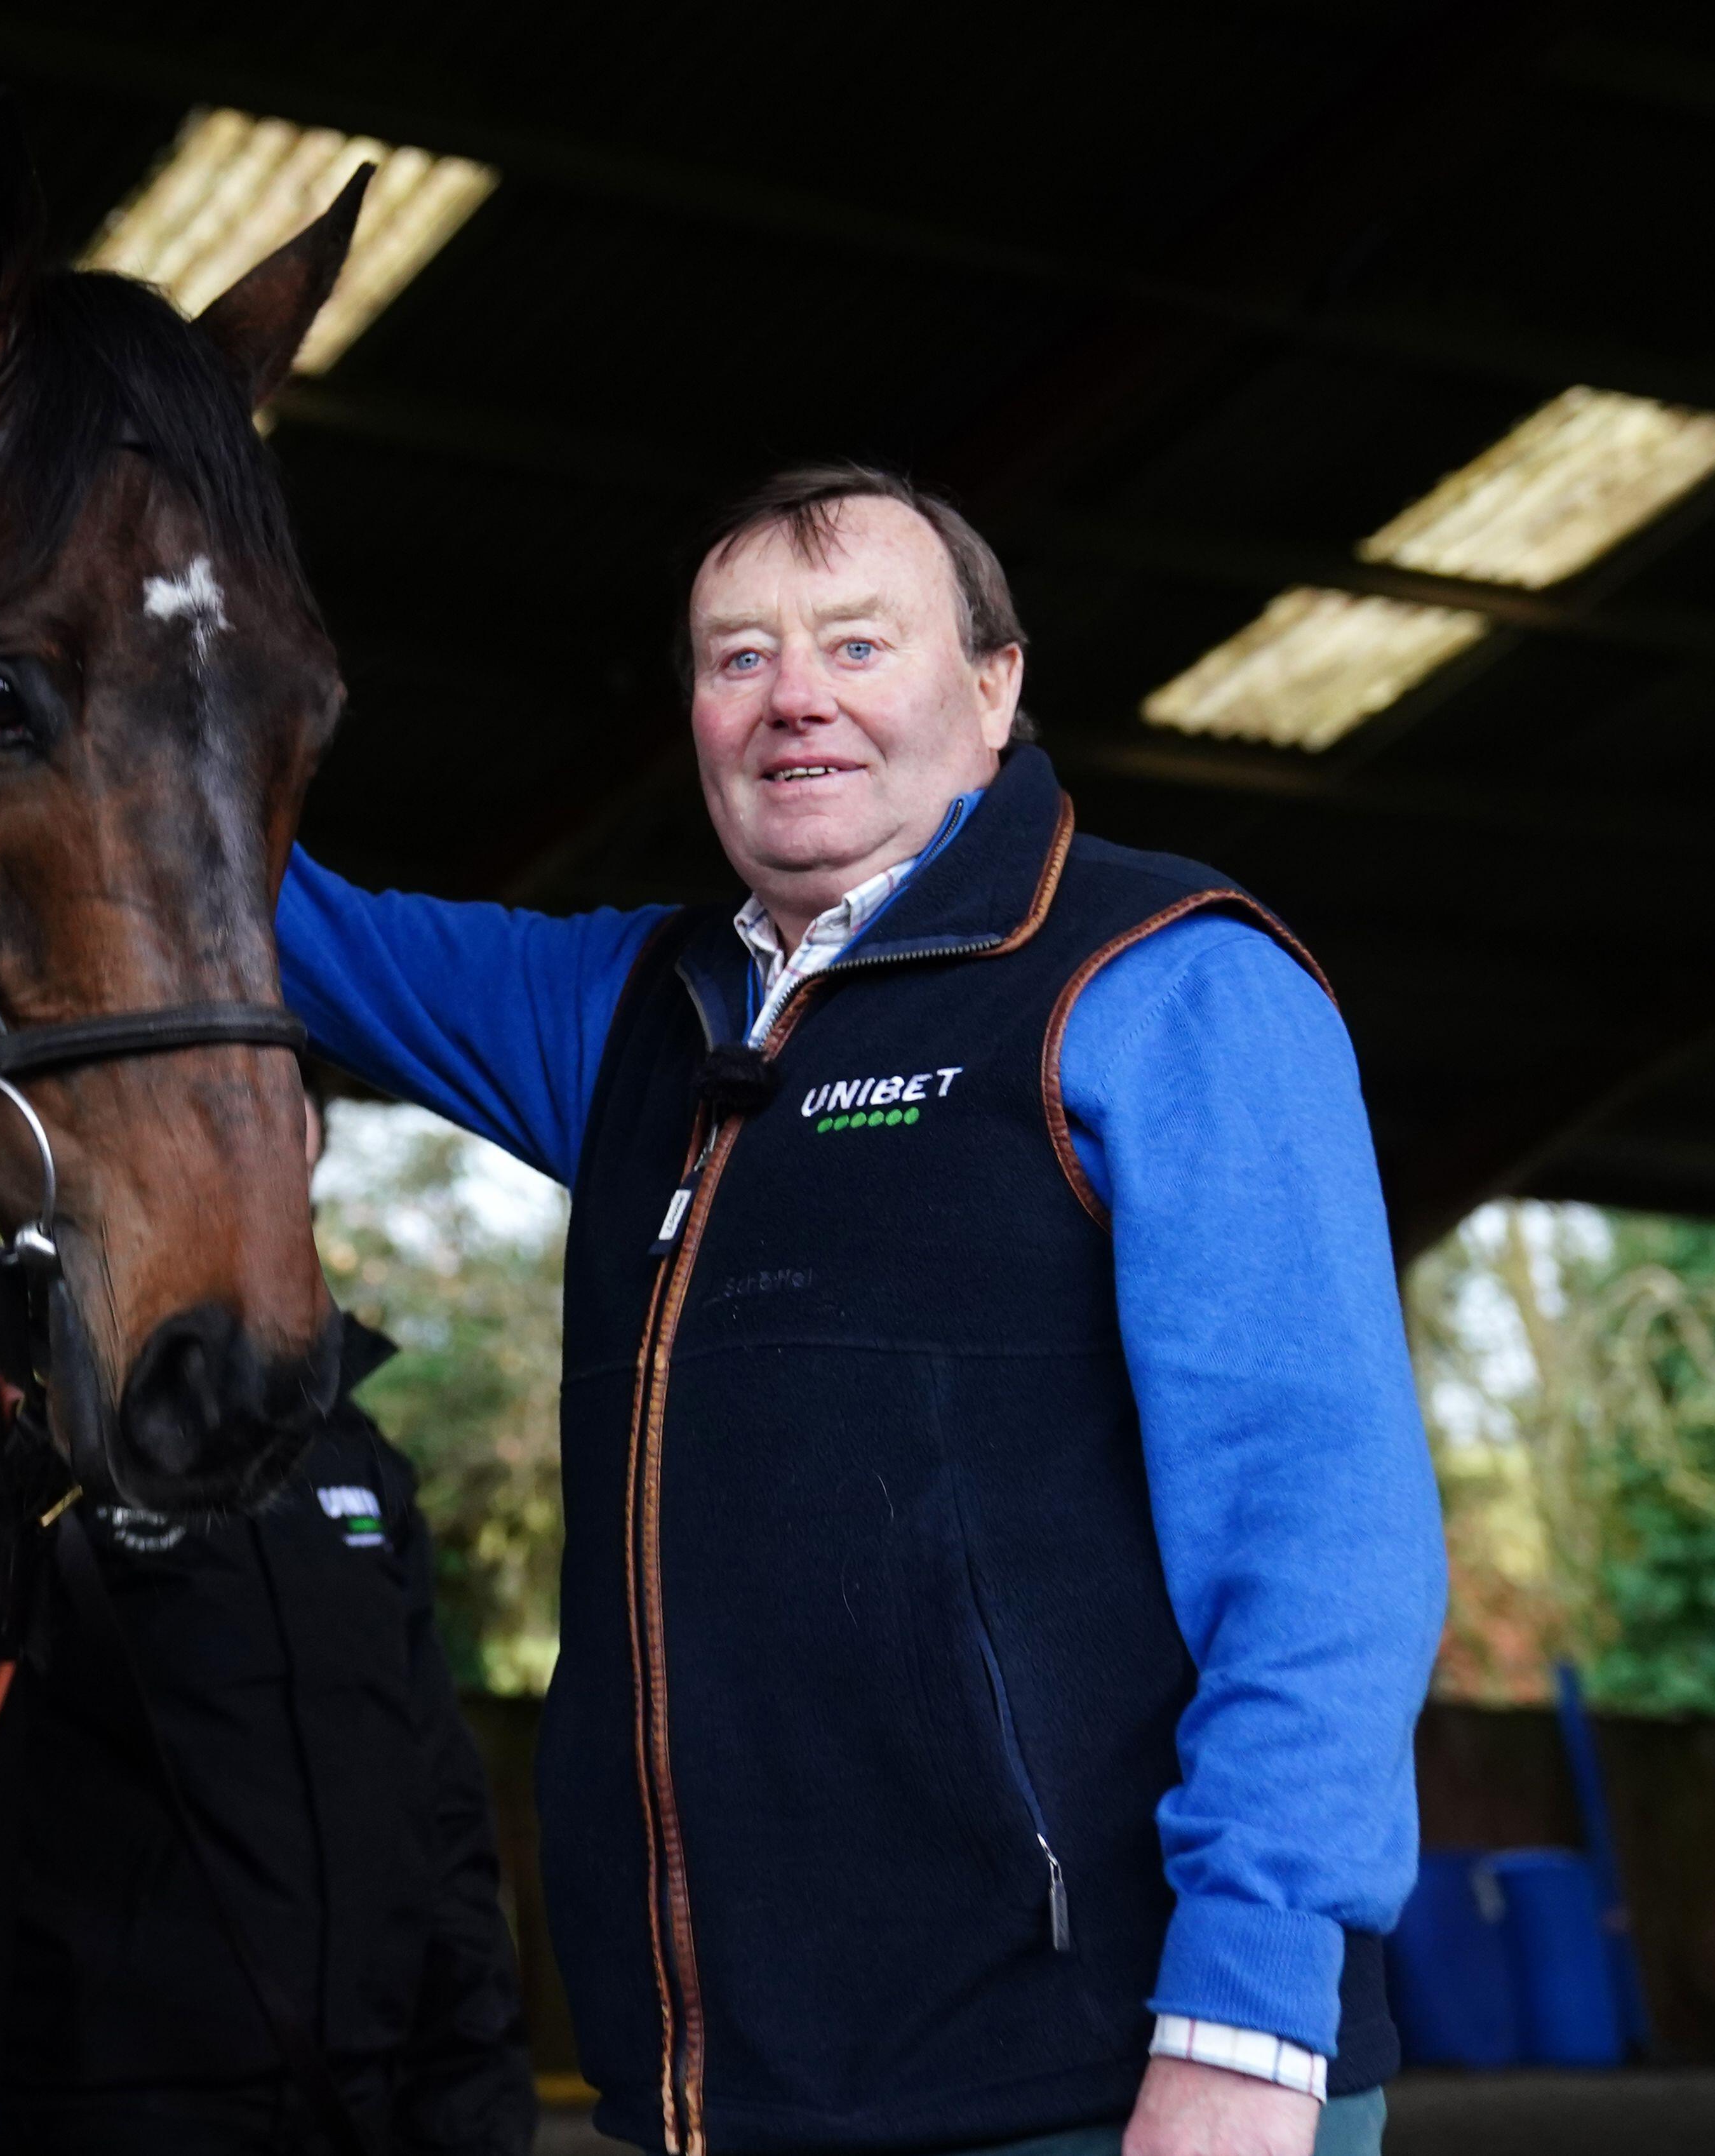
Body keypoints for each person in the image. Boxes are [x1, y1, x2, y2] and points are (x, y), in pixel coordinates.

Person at [273, 463, 1445, 2156]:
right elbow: (252, 917)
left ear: (992, 686)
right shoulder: (634, 1019)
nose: (790, 697)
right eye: (734, 656)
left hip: (1095, 2090)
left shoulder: (1157, 978)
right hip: (721, 2099)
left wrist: (1246, 2025)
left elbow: (1322, 1538)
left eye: (851, 641)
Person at [0, 1108, 534, 2156]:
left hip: (379, 2102)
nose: (239, 1129)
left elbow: (443, 1809)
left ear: (312, 1147)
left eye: (273, 1107)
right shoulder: (29, 1431)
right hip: (116, 2103)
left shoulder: (359, 1455)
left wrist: (475, 2090)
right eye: (201, 1109)